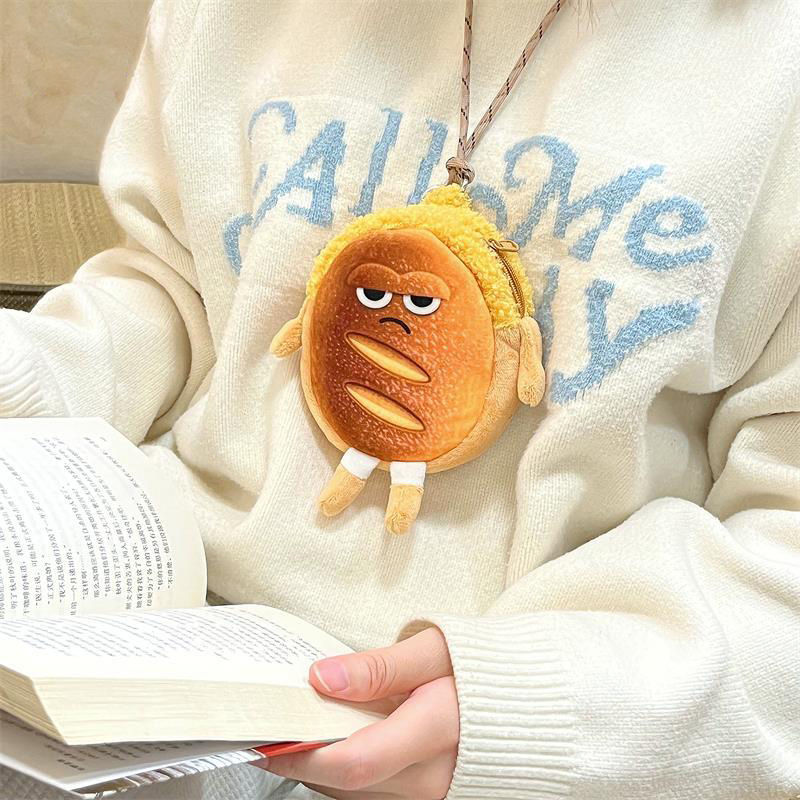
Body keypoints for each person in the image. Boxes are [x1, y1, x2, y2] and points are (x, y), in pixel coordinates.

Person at [1, 1, 798, 798]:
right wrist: (29, 368)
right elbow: (178, 285)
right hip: (159, 643)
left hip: (544, 734)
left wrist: (547, 704)